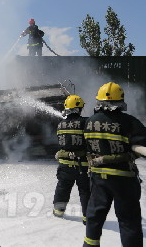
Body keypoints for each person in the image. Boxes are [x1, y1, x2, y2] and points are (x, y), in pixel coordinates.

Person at [83, 82, 146, 247]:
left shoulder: (90, 122)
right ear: (121, 101)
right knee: (128, 220)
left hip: (98, 178)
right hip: (123, 179)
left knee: (94, 217)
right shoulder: (129, 122)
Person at [53, 95, 90, 225]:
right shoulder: (86, 122)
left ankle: (58, 211)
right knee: (86, 191)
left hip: (64, 165)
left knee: (62, 189)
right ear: (79, 108)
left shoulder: (60, 124)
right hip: (82, 165)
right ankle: (88, 218)